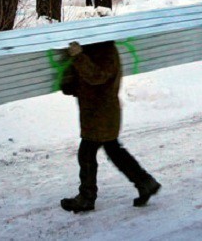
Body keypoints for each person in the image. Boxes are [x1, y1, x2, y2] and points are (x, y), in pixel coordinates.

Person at [59, 40, 161, 213]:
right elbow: (88, 82)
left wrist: (78, 57)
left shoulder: (105, 50)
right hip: (97, 112)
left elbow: (97, 77)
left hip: (101, 113)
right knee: (115, 152)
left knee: (87, 154)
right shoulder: (94, 48)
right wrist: (70, 83)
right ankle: (145, 183)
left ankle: (86, 198)